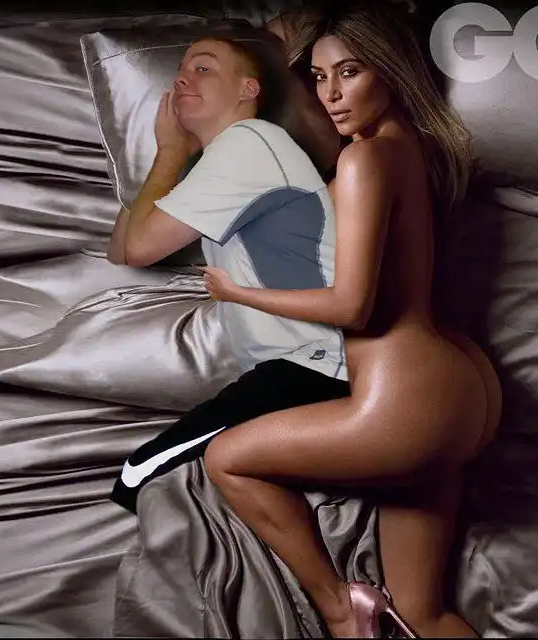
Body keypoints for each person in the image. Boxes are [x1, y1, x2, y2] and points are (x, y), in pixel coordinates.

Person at [198, 3, 502, 638]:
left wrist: (238, 293)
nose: (331, 94)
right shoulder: (414, 148)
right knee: (424, 614)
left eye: (350, 72)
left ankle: (341, 609)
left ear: (390, 69)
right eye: (317, 77)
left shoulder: (363, 162)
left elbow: (350, 307)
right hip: (461, 385)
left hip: (405, 400)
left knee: (226, 459)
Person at [106, 20, 353, 514]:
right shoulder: (228, 158)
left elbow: (138, 248)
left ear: (248, 90)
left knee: (139, 477)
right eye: (180, 70)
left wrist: (171, 150)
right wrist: (177, 156)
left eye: (204, 68)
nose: (182, 78)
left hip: (317, 365)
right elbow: (120, 247)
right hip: (299, 367)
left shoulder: (250, 143)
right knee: (171, 482)